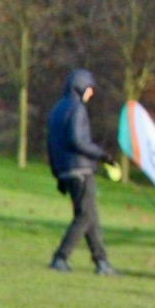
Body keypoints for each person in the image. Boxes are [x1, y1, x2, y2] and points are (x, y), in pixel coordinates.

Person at [46, 68, 120, 275]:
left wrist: (57, 172)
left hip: (66, 170)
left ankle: (101, 262)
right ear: (79, 87)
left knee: (90, 216)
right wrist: (103, 155)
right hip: (80, 169)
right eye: (89, 88)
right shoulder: (77, 109)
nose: (91, 92)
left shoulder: (57, 109)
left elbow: (51, 144)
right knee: (85, 216)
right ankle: (60, 257)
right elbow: (78, 140)